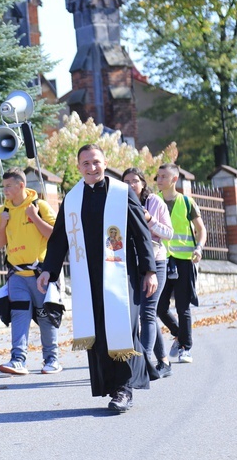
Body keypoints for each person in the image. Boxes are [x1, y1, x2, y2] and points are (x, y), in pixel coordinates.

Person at [37, 144, 158, 412]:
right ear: (79, 167)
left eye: (96, 162)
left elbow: (141, 233)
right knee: (101, 333)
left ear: (105, 163)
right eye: (86, 164)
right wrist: (49, 270)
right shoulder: (72, 198)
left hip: (121, 275)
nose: (92, 168)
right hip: (87, 278)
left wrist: (149, 270)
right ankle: (113, 387)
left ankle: (124, 389)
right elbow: (59, 239)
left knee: (123, 327)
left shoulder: (121, 192)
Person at [0, 167, 60, 375]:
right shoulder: (2, 211)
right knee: (19, 315)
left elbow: (56, 236)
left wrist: (34, 217)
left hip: (40, 273)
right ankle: (18, 360)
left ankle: (52, 359)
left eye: (8, 186)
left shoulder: (39, 206)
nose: (5, 190)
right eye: (3, 186)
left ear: (21, 185)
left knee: (44, 316)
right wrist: (3, 224)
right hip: (17, 276)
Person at [122, 167, 174, 379]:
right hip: (134, 264)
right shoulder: (121, 203)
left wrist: (149, 219)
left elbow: (169, 233)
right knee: (146, 313)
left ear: (143, 183)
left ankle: (142, 363)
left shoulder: (154, 201)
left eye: (135, 180)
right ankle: (163, 360)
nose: (131, 185)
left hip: (157, 262)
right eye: (126, 181)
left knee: (148, 312)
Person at [155, 163, 207, 364]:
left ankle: (186, 347)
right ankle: (179, 335)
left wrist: (199, 248)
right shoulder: (153, 201)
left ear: (174, 179)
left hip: (184, 261)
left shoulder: (187, 202)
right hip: (161, 260)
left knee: (183, 307)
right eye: (158, 176)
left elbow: (201, 230)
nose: (159, 180)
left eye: (163, 176)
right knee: (159, 307)